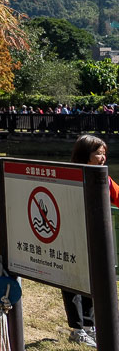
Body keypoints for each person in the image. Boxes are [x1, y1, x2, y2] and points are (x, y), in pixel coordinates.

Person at [62, 135, 119, 347]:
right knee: (71, 282)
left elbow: (117, 196)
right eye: (98, 154)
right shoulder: (67, 176)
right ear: (85, 156)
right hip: (69, 237)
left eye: (104, 153)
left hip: (90, 239)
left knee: (90, 281)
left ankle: (89, 325)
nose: (103, 158)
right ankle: (76, 329)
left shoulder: (101, 176)